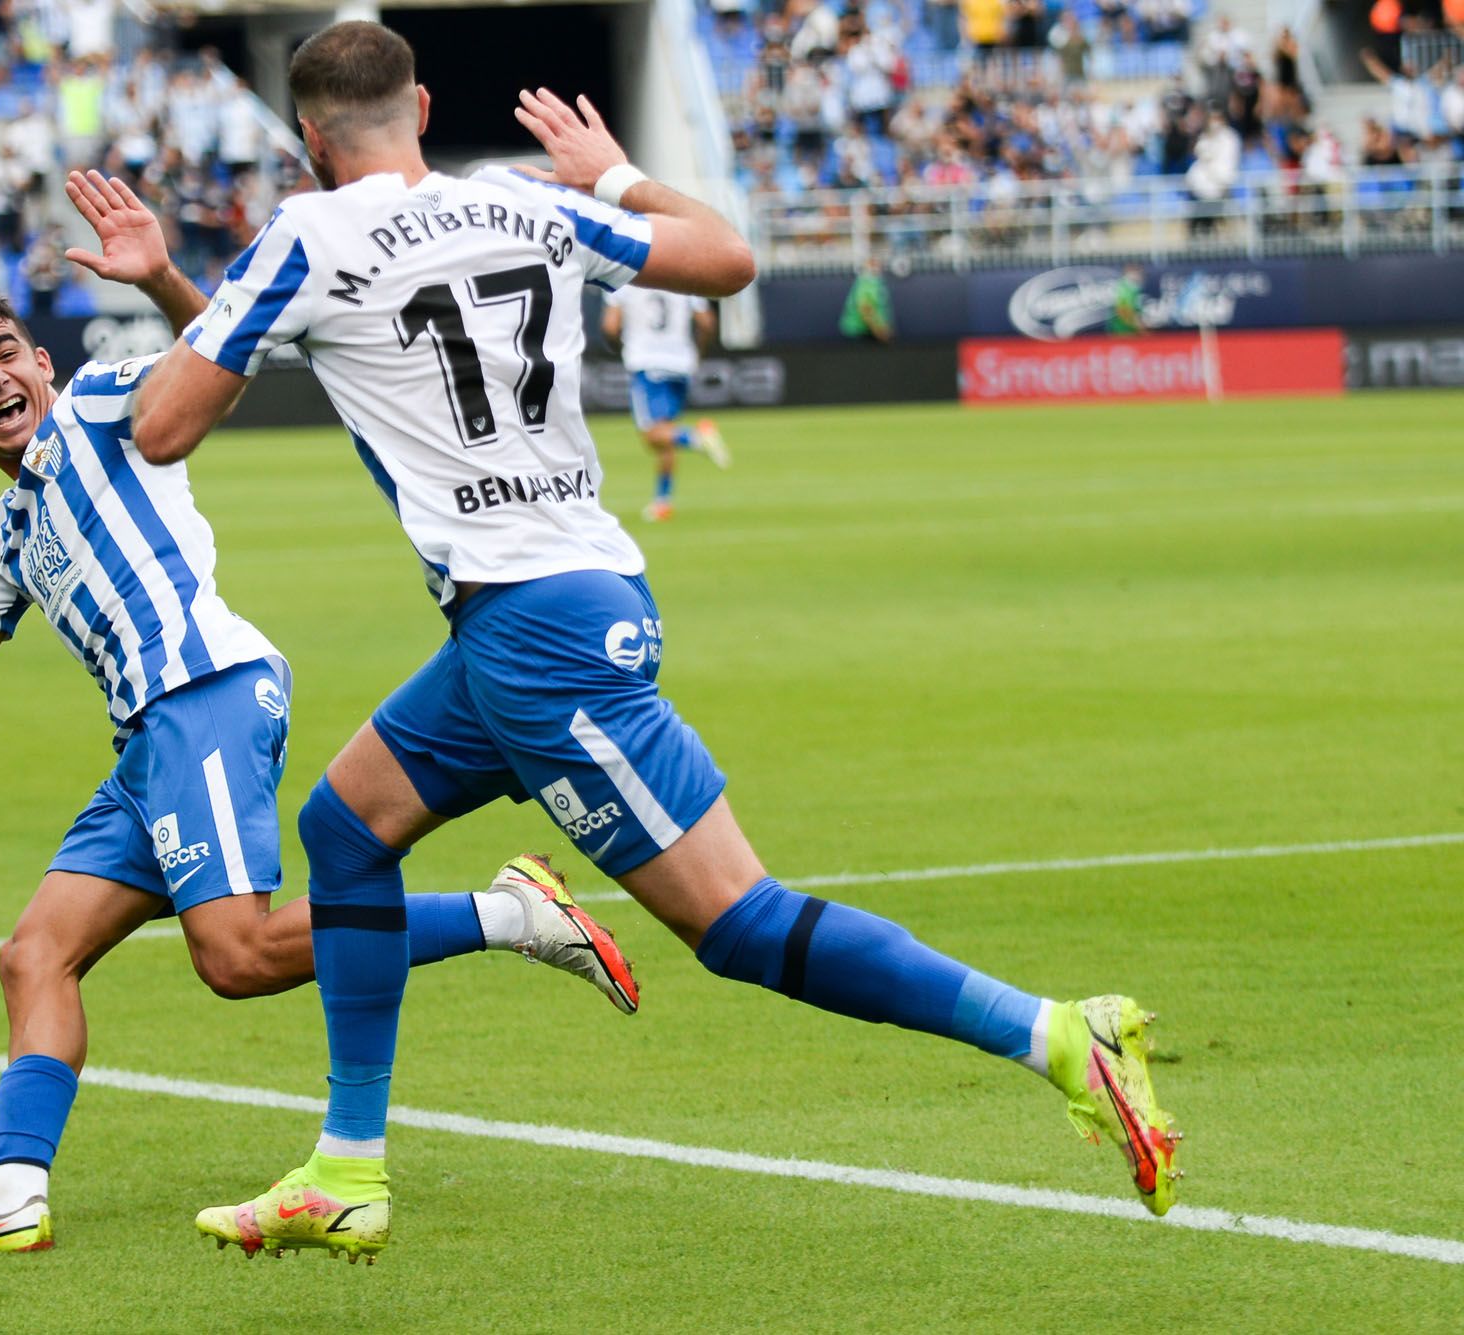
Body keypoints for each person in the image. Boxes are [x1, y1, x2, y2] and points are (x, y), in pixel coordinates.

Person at [121, 21, 1180, 1261]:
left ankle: (1053, 1033)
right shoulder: (526, 205)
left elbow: (162, 427)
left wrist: (170, 288)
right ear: (417, 107)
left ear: (308, 138)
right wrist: (611, 172)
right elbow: (725, 256)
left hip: (538, 642)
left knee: (733, 925)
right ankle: (347, 1168)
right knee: (345, 828)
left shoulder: (305, 236)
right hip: (538, 613)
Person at [0, 172, 638, 1253]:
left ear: (40, 364)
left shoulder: (105, 402)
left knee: (234, 957)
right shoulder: (0, 536)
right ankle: (10, 1195)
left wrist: (152, 269)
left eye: (6, 354)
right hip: (148, 742)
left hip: (207, 692)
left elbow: (215, 347)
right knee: (32, 956)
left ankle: (508, 915)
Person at [599, 286, 729, 523]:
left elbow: (610, 326)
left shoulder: (623, 277)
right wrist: (696, 353)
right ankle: (663, 501)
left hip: (647, 363)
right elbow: (707, 323)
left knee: (653, 435)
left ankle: (696, 437)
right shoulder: (681, 275)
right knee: (667, 431)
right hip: (681, 364)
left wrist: (624, 348)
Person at [840, 255, 894, 342]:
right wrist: (879, 331)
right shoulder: (866, 283)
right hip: (859, 333)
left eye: (877, 265)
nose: (876, 268)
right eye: (872, 265)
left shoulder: (876, 282)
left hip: (869, 333)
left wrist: (884, 326)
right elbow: (865, 308)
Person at [1108, 264, 1147, 334]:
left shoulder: (1132, 289)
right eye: (1137, 273)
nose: (1140, 276)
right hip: (1121, 332)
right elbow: (1124, 312)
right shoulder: (1125, 289)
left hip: (1124, 332)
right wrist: (1143, 330)